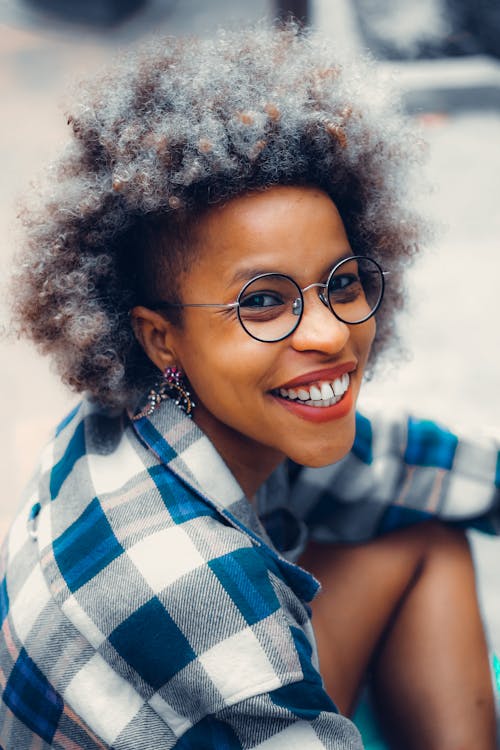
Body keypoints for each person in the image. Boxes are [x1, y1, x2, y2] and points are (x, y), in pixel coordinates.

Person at [0, 25, 498, 750]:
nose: (328, 334)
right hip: (193, 656)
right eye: (263, 301)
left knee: (423, 537)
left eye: (343, 282)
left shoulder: (185, 406)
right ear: (159, 336)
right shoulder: (200, 596)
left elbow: (401, 459)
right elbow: (218, 623)